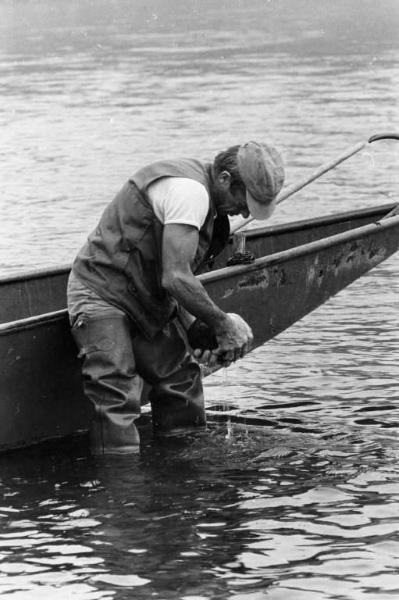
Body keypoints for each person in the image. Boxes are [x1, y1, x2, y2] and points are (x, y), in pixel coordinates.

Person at [67, 141, 285, 454]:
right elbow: (176, 277)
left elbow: (174, 280)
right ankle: (120, 489)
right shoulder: (190, 193)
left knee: (181, 378)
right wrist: (223, 323)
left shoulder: (210, 201)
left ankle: (185, 468)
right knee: (117, 390)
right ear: (224, 178)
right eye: (244, 199)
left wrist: (200, 330)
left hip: (147, 298)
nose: (246, 211)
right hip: (101, 293)